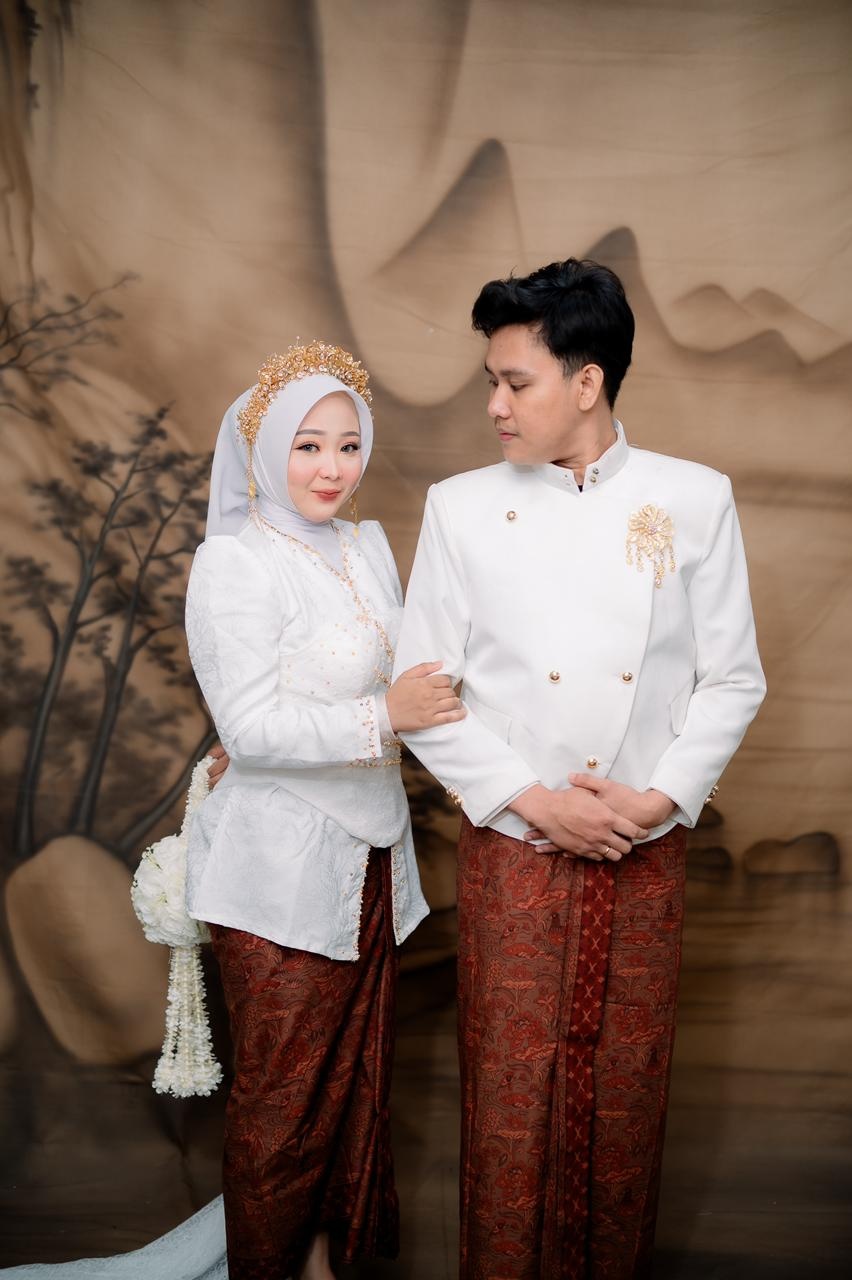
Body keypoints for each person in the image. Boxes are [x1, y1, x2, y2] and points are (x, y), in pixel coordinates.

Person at [393, 259, 766, 1279]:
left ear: (588, 381)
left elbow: (733, 679)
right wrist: (534, 802)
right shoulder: (461, 507)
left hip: (643, 848)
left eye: (516, 382)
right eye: (492, 381)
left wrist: (657, 799)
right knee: (510, 1102)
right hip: (515, 850)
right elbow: (423, 694)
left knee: (624, 1102)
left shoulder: (694, 497)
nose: (494, 404)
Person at [183, 340, 464, 1280]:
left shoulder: (365, 544)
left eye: (348, 446)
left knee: (357, 1090)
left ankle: (327, 1267)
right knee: (285, 1104)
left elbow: (419, 676)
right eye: (307, 447)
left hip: (374, 858)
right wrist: (385, 716)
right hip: (277, 871)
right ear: (264, 452)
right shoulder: (234, 564)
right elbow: (250, 726)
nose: (331, 469)